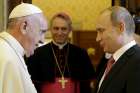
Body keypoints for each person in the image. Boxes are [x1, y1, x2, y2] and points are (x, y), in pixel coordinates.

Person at [25, 12, 95, 93]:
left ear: (70, 30)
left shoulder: (80, 54)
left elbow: (86, 87)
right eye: (56, 28)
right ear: (50, 29)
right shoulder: (37, 54)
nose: (59, 33)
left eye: (64, 29)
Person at [0, 3, 48, 93]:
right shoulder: (7, 58)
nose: (42, 40)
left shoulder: (11, 51)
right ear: (24, 27)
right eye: (41, 32)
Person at [95, 6, 140, 93]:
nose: (97, 38)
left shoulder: (137, 62)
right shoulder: (112, 60)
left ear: (120, 28)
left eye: (101, 31)